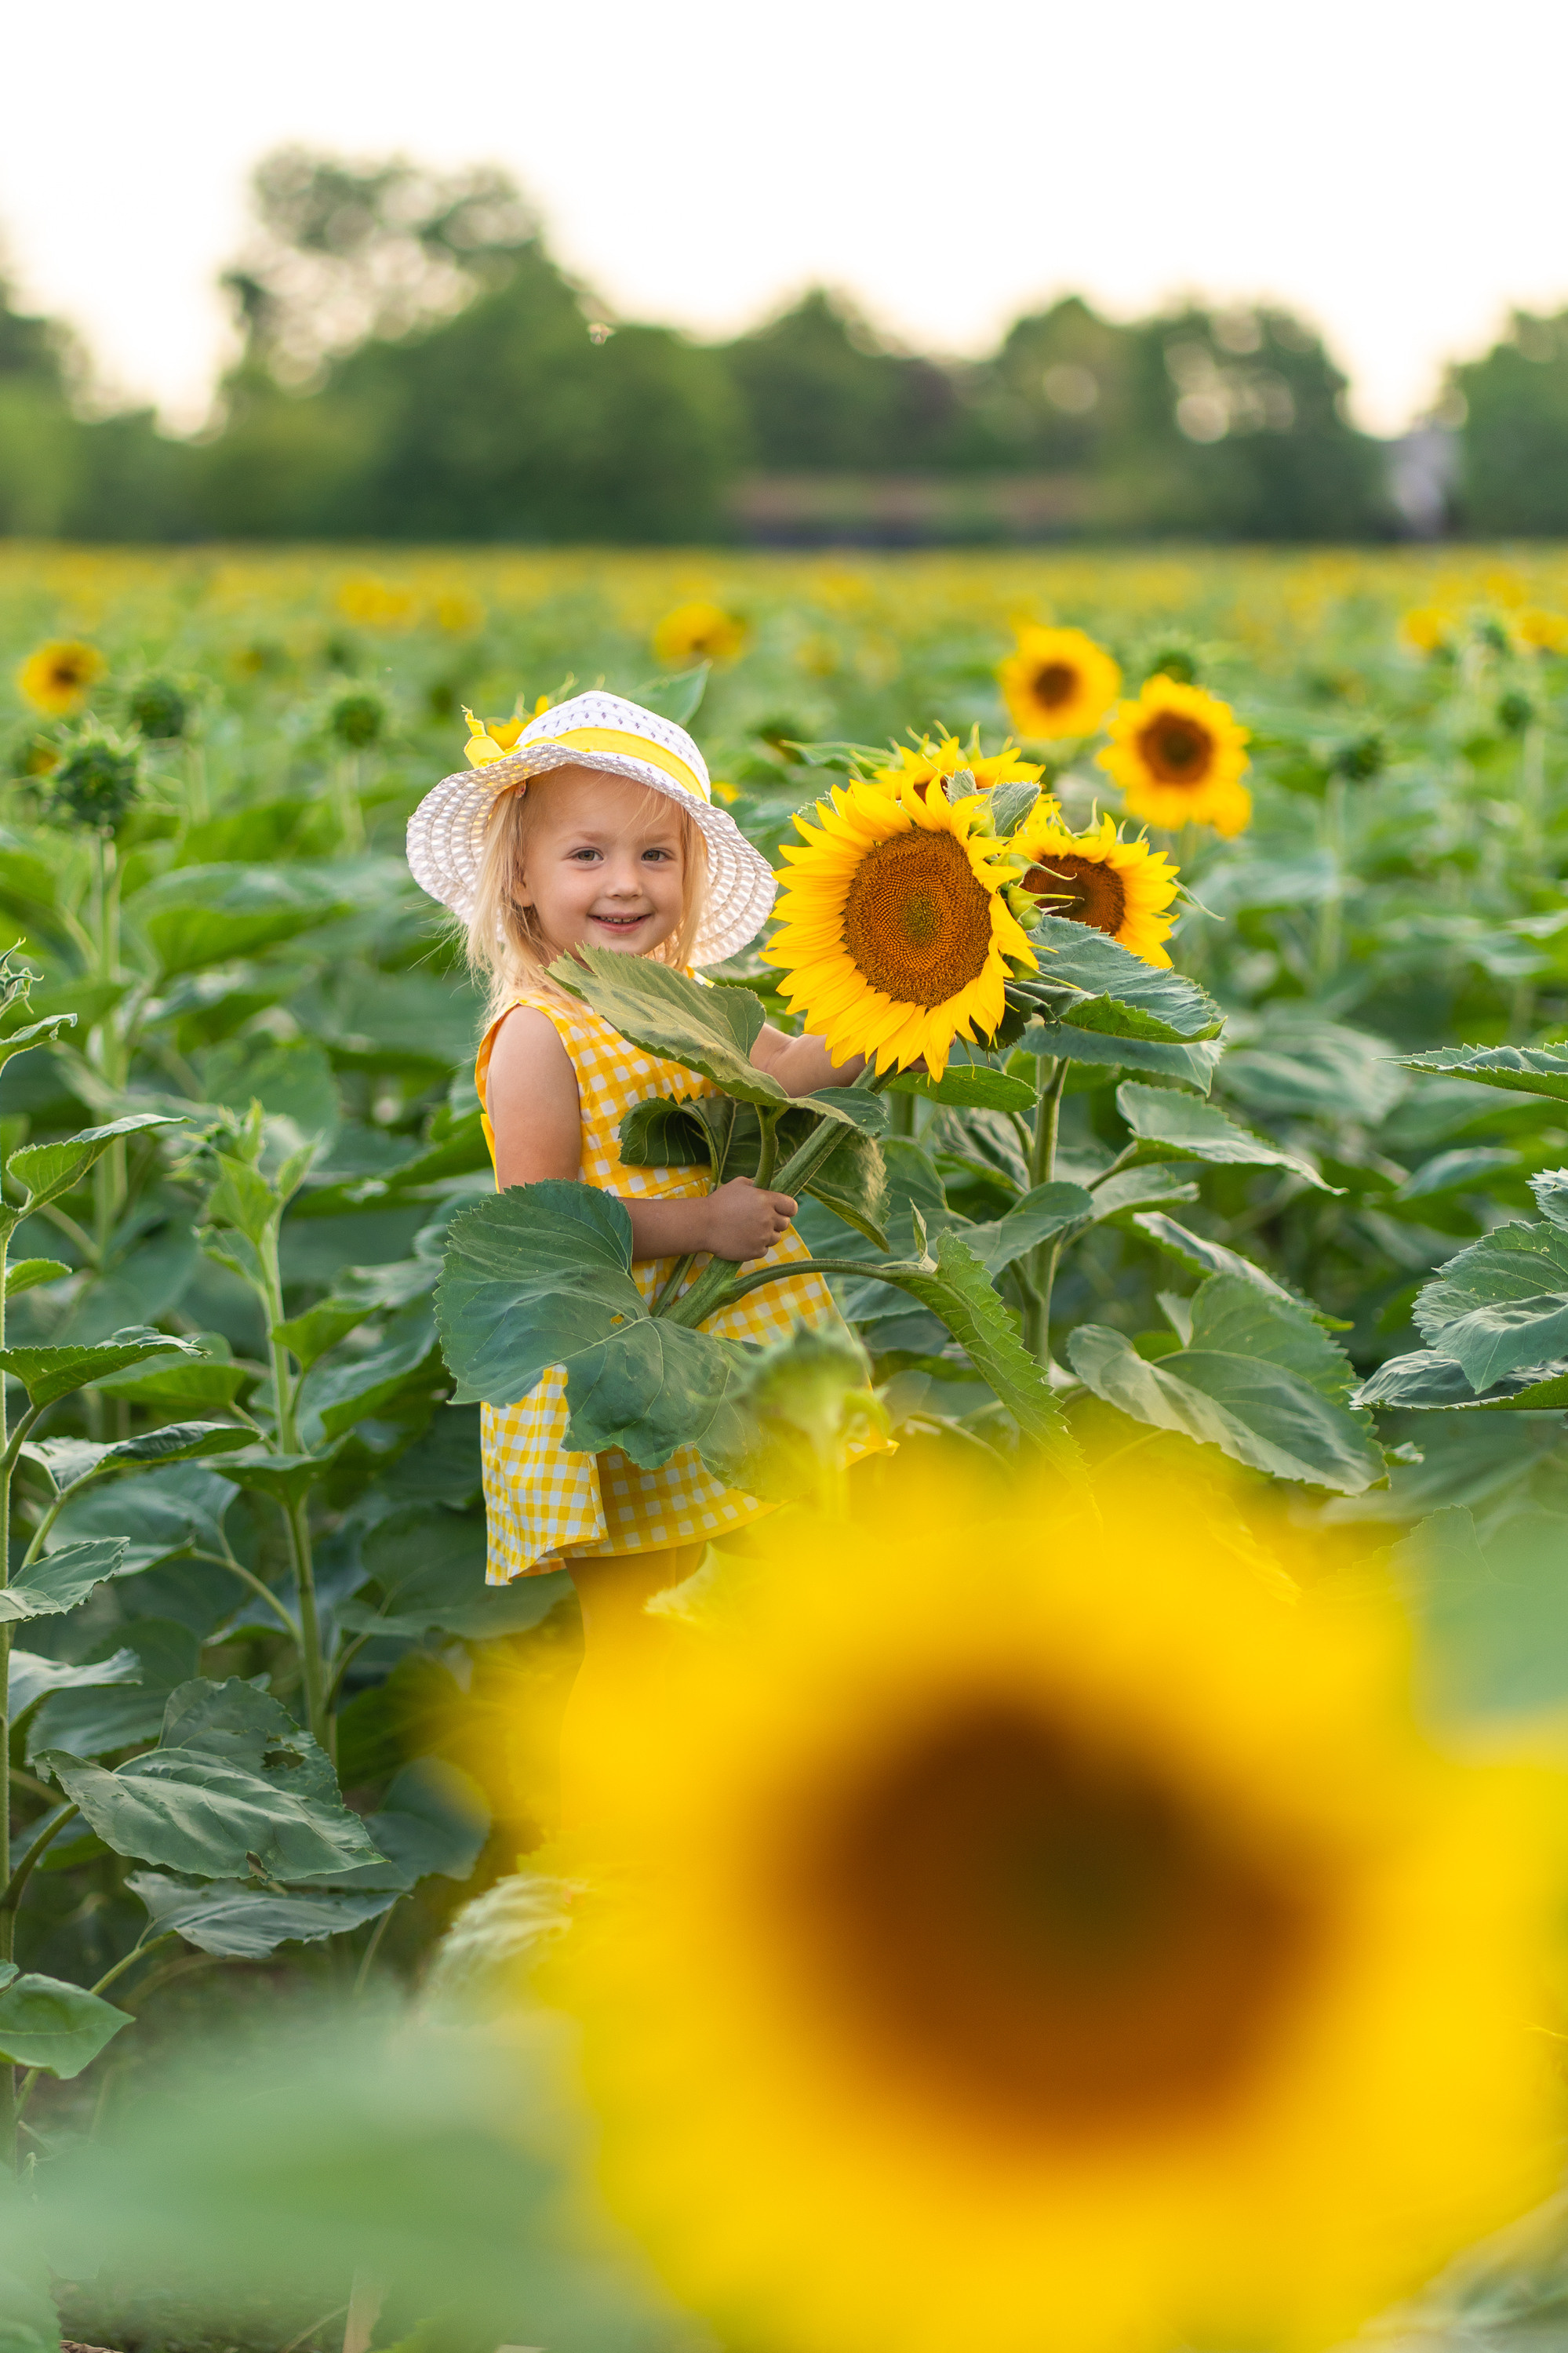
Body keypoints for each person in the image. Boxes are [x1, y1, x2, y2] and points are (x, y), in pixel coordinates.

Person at [406, 690, 872, 1820]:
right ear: (521, 879)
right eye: (587, 853)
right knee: (634, 1628)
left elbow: (788, 1072)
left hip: (724, 1343)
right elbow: (545, 1224)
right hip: (610, 1360)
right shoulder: (537, 1034)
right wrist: (701, 1225)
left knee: (747, 1599)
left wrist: (909, 995)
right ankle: (602, 1840)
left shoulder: (691, 999)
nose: (626, 881)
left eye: (655, 853)